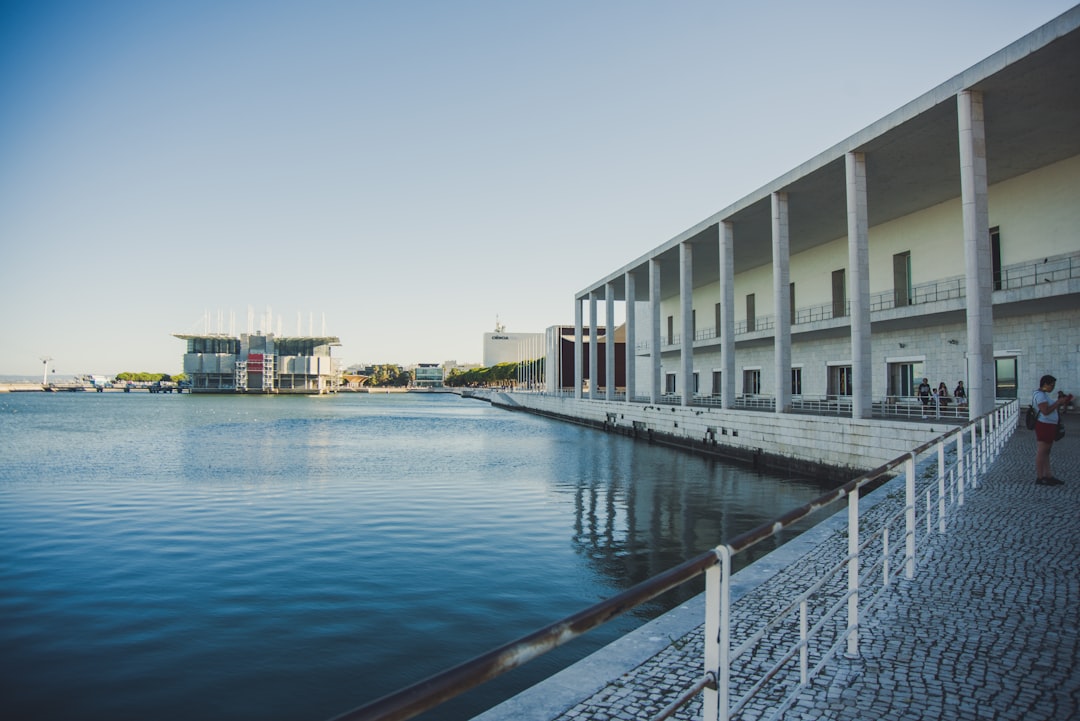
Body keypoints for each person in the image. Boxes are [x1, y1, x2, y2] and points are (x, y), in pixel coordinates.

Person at [1033, 374, 1072, 486]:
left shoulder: (1043, 394)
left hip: (1048, 425)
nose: (1053, 388)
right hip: (1044, 425)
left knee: (1046, 452)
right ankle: (1040, 477)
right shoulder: (1041, 396)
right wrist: (1058, 403)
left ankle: (1048, 475)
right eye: (1051, 385)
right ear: (1045, 384)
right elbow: (1045, 411)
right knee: (1042, 451)